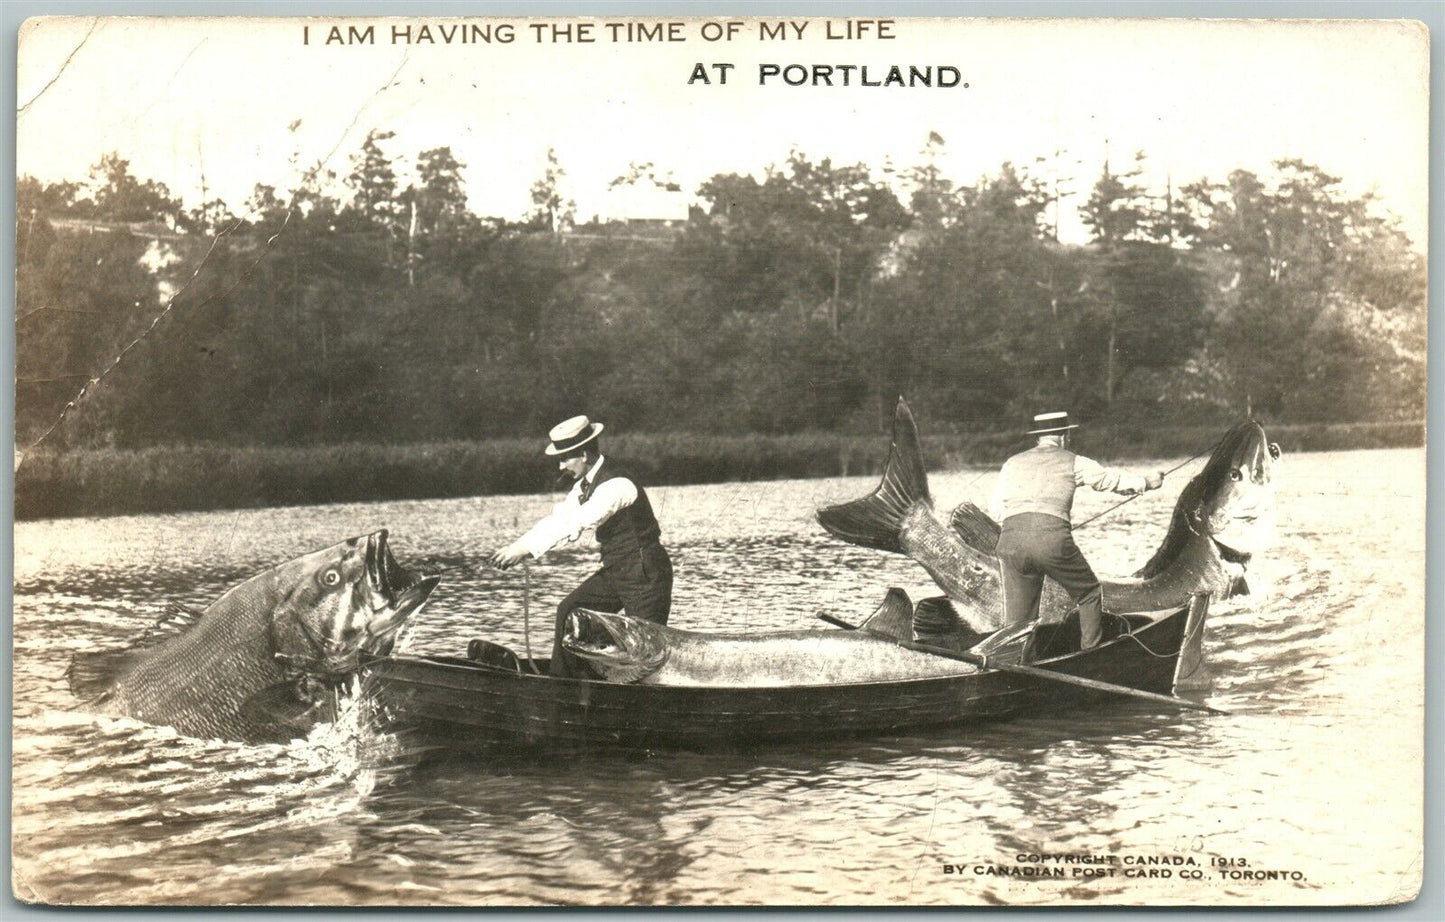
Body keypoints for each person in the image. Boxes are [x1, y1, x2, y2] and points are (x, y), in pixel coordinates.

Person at [489, 415, 673, 677]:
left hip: (646, 573)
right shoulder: (583, 486)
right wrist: (517, 547)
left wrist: (524, 551)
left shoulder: (616, 484)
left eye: (565, 459)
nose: (561, 466)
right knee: (570, 612)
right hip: (619, 571)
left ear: (584, 455)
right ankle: (562, 683)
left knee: (644, 651)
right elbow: (559, 518)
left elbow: (578, 521)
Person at [989, 411, 1164, 651]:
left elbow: (996, 508)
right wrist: (1146, 482)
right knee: (1089, 592)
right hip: (1052, 543)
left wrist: (1023, 528)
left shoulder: (1012, 463)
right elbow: (1109, 480)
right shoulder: (1074, 461)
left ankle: (1011, 663)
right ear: (1064, 436)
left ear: (1039, 437)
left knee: (1018, 622)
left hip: (1009, 544)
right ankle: (1090, 653)